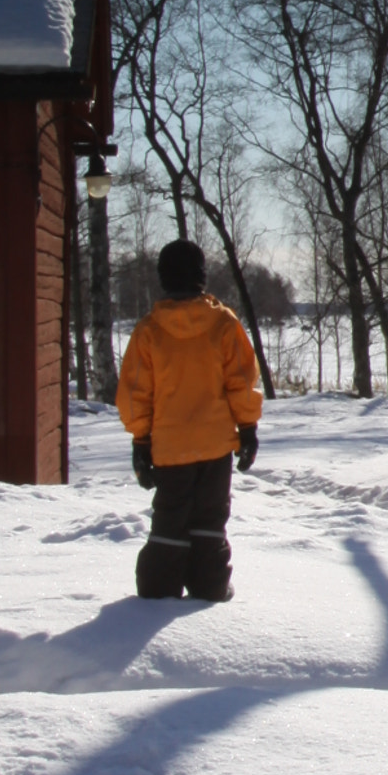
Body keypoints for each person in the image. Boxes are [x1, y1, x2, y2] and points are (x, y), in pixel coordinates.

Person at [116, 238, 263, 602]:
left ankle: (158, 589)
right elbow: (242, 382)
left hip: (169, 448)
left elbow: (136, 393)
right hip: (215, 447)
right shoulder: (224, 325)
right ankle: (210, 586)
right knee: (210, 518)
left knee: (170, 518)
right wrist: (247, 429)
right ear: (202, 277)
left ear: (164, 278)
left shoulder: (149, 331)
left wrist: (140, 441)